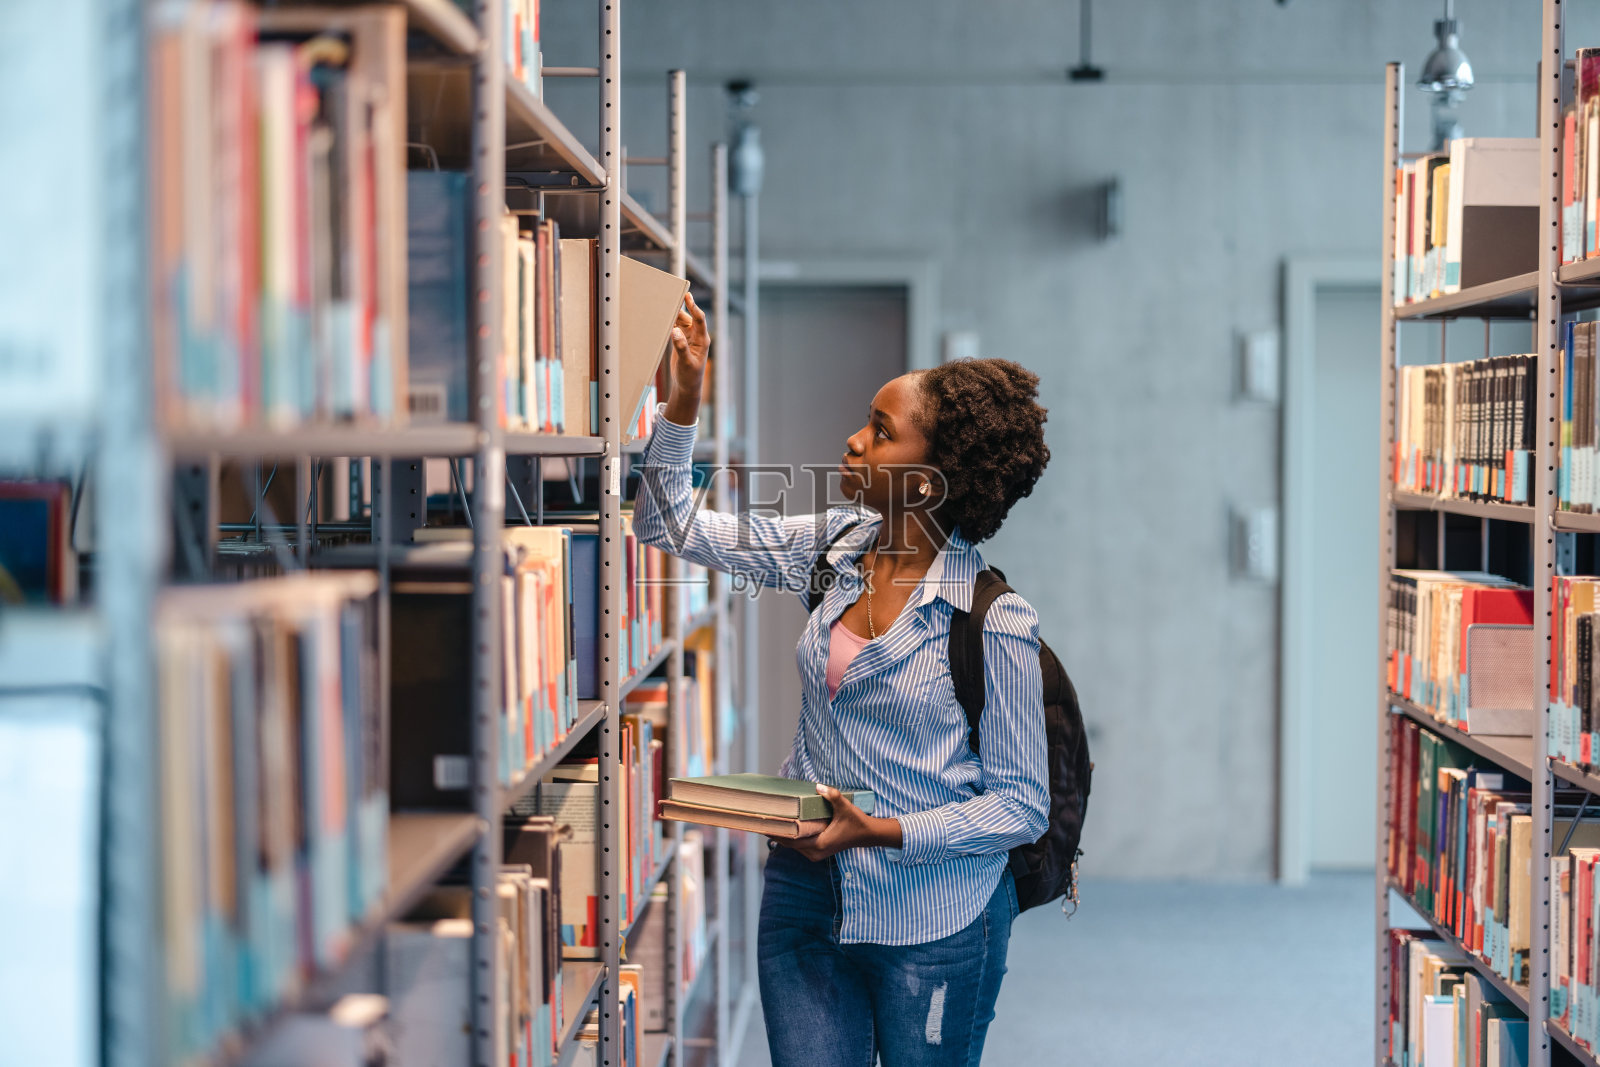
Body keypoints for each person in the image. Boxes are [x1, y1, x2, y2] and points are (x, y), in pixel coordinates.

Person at [632, 293, 1052, 1067]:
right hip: (803, 895)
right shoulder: (833, 547)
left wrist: (882, 832)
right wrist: (684, 401)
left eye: (880, 432)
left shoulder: (994, 622)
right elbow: (671, 525)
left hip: (934, 917)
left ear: (926, 483)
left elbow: (1022, 805)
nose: (852, 440)